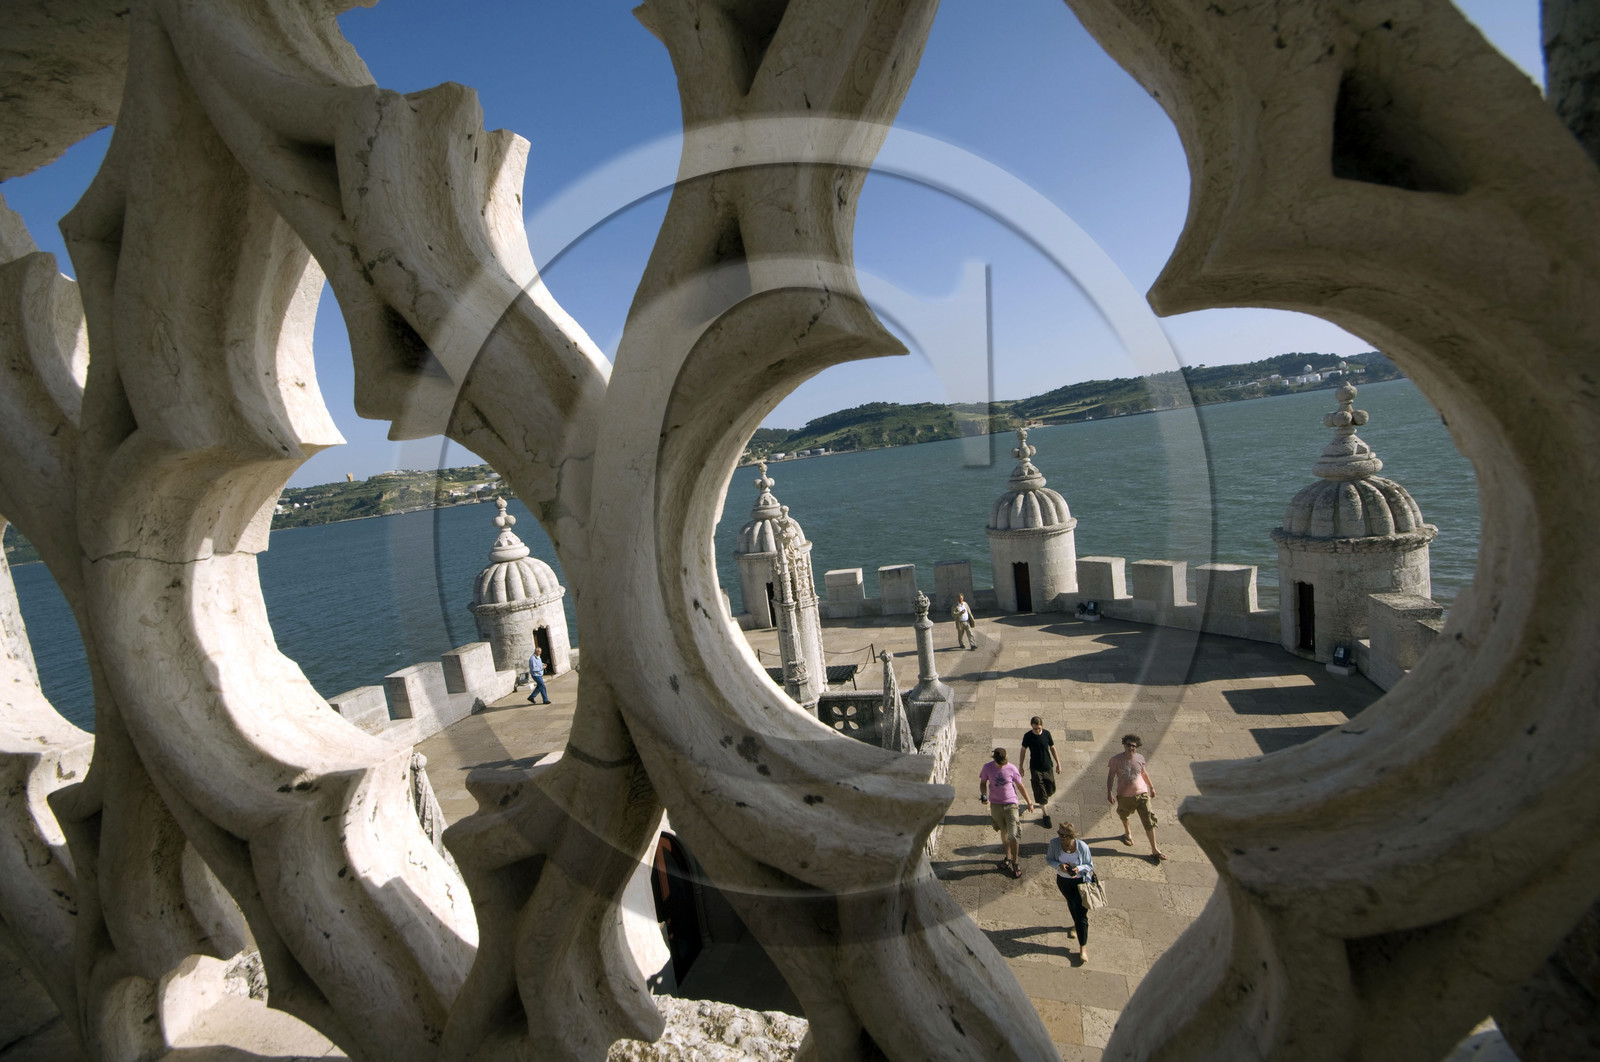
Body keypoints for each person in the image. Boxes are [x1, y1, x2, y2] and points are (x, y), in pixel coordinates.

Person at [1106, 733, 1165, 860]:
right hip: (1124, 796)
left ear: (1137, 747)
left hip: (1142, 794)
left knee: (1148, 821)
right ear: (1124, 745)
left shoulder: (1140, 758)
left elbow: (1144, 773)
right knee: (1124, 815)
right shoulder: (1116, 760)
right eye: (1128, 745)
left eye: (1133, 746)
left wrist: (1151, 787)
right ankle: (1127, 833)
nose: (1131, 748)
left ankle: (1154, 849)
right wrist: (1109, 792)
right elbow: (1111, 776)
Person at [978, 747, 1034, 878]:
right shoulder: (987, 767)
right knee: (1003, 831)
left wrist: (1029, 802)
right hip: (996, 805)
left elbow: (1020, 786)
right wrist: (984, 795)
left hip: (1011, 804)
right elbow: (983, 783)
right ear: (994, 760)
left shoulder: (1012, 768)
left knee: (1013, 835)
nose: (1003, 765)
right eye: (1000, 763)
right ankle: (1007, 856)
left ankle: (1015, 861)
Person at [1046, 821, 1095, 962]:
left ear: (1072, 836)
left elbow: (1089, 865)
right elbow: (1049, 859)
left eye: (1064, 835)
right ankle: (1076, 925)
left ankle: (1083, 948)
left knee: (1081, 915)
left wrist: (1078, 869)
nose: (1061, 837)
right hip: (1063, 882)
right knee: (1072, 904)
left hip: (1081, 882)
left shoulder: (1082, 847)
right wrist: (1059, 866)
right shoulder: (1054, 844)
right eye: (1059, 834)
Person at [1020, 716, 1061, 828]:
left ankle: (1044, 800)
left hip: (1047, 766)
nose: (1037, 731)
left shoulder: (1047, 734)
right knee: (1041, 792)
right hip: (1035, 768)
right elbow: (1023, 750)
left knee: (1051, 789)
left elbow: (1052, 748)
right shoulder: (1028, 736)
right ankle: (1045, 815)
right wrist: (1021, 766)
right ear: (1031, 726)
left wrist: (1058, 763)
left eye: (1039, 728)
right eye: (1035, 728)